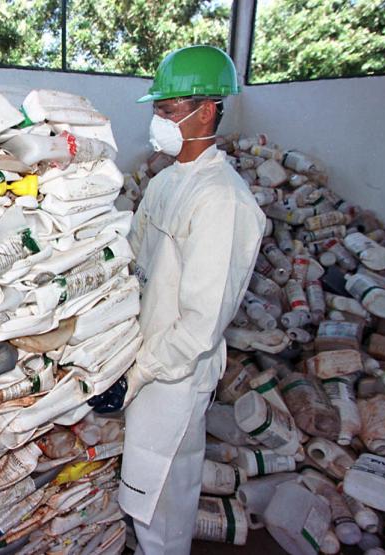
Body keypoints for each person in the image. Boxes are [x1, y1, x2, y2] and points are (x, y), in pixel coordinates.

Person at [118, 45, 266, 554]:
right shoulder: (165, 182)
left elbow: (201, 323)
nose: (157, 120)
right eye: (157, 110)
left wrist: (136, 374)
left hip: (173, 376)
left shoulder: (222, 201)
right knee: (137, 490)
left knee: (162, 499)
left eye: (167, 110)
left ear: (206, 110)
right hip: (142, 357)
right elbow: (133, 263)